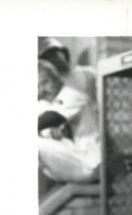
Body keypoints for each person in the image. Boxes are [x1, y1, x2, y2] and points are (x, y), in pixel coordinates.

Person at [38, 40, 100, 186]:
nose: (43, 89)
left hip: (91, 160)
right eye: (39, 86)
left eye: (46, 83)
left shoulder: (75, 87)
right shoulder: (49, 102)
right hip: (76, 156)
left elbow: (52, 118)